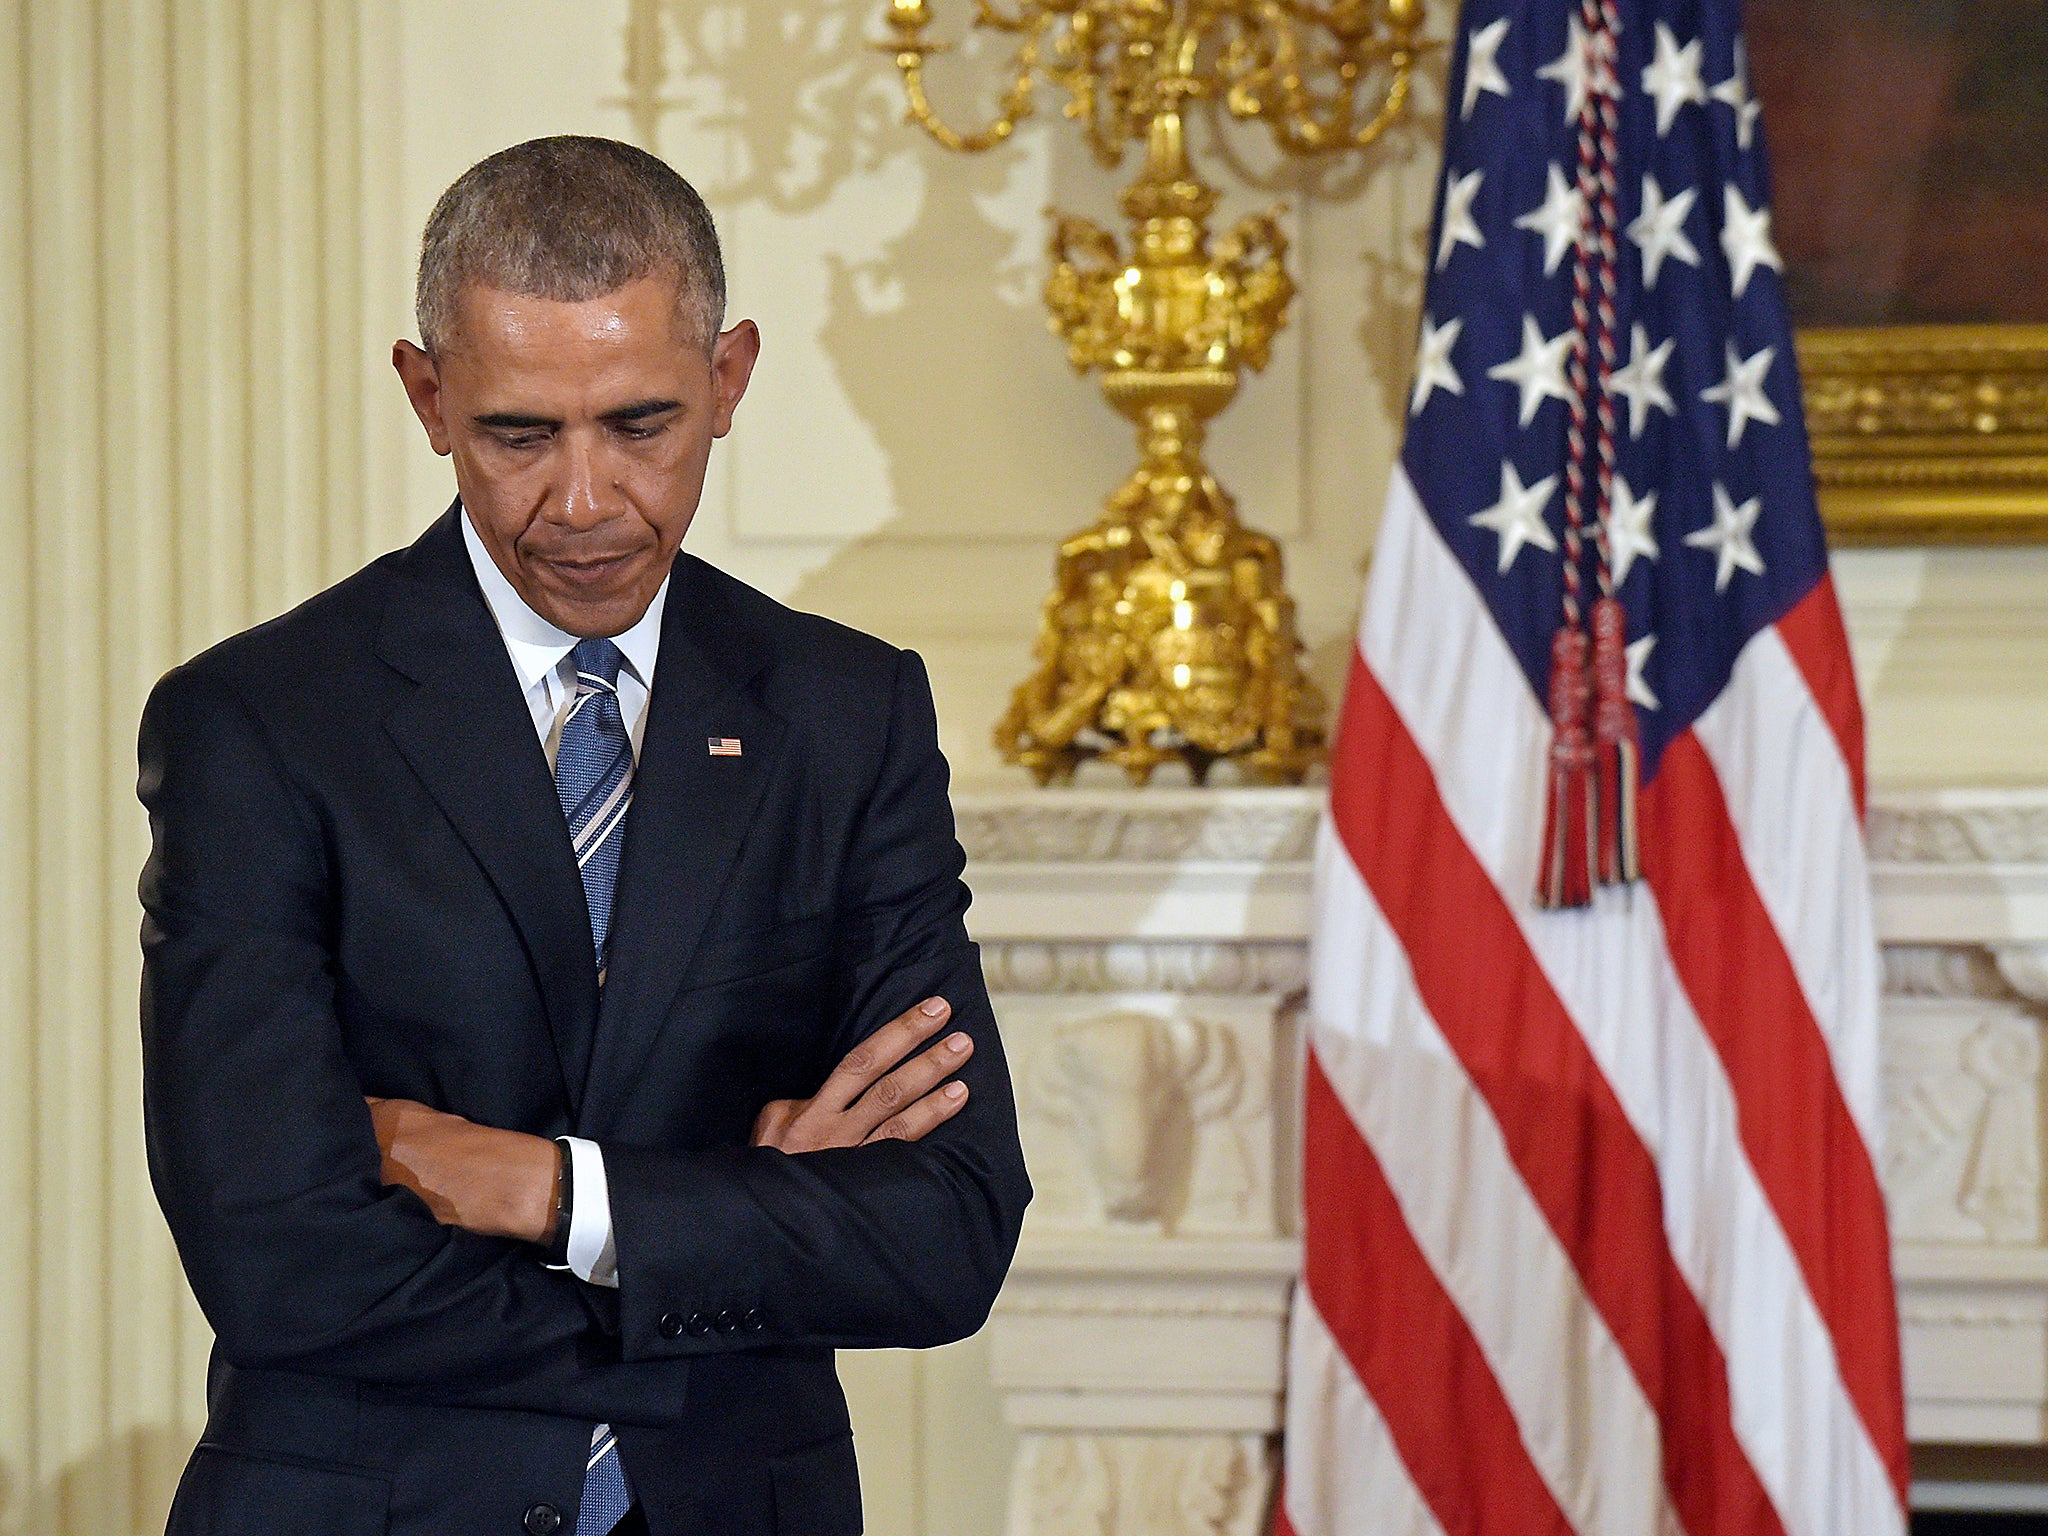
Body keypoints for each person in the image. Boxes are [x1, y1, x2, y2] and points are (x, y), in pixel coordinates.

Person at [138, 134, 1031, 1536]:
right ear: (428, 397)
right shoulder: (257, 724)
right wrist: (736, 1238)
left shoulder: (850, 715)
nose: (585, 502)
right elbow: (278, 1260)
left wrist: (557, 1193)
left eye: (640, 424)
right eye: (518, 434)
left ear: (728, 380)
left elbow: (947, 1236)